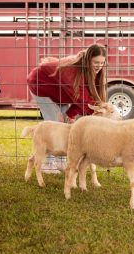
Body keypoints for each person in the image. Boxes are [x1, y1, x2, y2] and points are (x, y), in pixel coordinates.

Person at [27, 44, 107, 173]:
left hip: (61, 92)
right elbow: (83, 99)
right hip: (41, 85)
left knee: (65, 124)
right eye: (96, 62)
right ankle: (47, 163)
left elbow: (81, 98)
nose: (99, 66)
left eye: (102, 63)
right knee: (54, 123)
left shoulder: (94, 73)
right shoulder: (73, 70)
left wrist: (70, 114)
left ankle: (61, 160)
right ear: (87, 60)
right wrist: (101, 111)